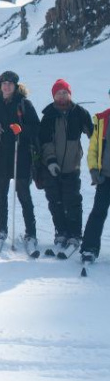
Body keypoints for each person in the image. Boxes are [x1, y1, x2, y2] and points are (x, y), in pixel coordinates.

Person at [0, 70, 40, 253]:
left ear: (16, 86)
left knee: (23, 194)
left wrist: (21, 128)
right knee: (1, 195)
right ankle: (1, 230)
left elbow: (36, 128)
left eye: (9, 83)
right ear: (0, 85)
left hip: (20, 154)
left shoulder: (24, 104)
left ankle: (31, 232)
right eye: (3, 83)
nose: (6, 86)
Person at [39, 79, 93, 253]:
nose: (62, 96)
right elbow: (45, 142)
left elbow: (93, 133)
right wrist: (51, 161)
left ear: (70, 94)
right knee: (55, 201)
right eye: (58, 93)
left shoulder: (79, 113)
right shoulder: (48, 116)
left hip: (72, 166)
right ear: (54, 96)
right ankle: (61, 231)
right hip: (52, 168)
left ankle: (75, 234)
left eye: (65, 92)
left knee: (73, 201)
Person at [82, 89, 110, 264]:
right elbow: (93, 149)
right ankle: (89, 248)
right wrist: (93, 170)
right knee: (98, 212)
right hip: (105, 177)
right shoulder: (102, 119)